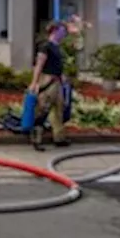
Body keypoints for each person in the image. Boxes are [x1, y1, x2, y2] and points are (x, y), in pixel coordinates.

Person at [28, 20, 71, 151]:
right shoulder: (45, 46)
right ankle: (36, 140)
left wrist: (62, 76)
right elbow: (39, 65)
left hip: (57, 81)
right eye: (63, 31)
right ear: (55, 31)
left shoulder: (56, 47)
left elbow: (57, 64)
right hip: (47, 80)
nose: (64, 34)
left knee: (58, 109)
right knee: (42, 109)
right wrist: (34, 83)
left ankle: (59, 137)